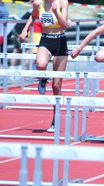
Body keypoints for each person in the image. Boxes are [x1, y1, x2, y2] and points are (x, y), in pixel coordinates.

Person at [24, 0, 70, 133]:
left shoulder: (62, 3)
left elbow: (64, 25)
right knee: (40, 64)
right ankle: (43, 79)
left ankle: (55, 119)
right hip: (45, 40)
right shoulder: (39, 3)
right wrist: (25, 29)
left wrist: (56, 12)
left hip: (60, 42)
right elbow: (33, 16)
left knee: (57, 86)